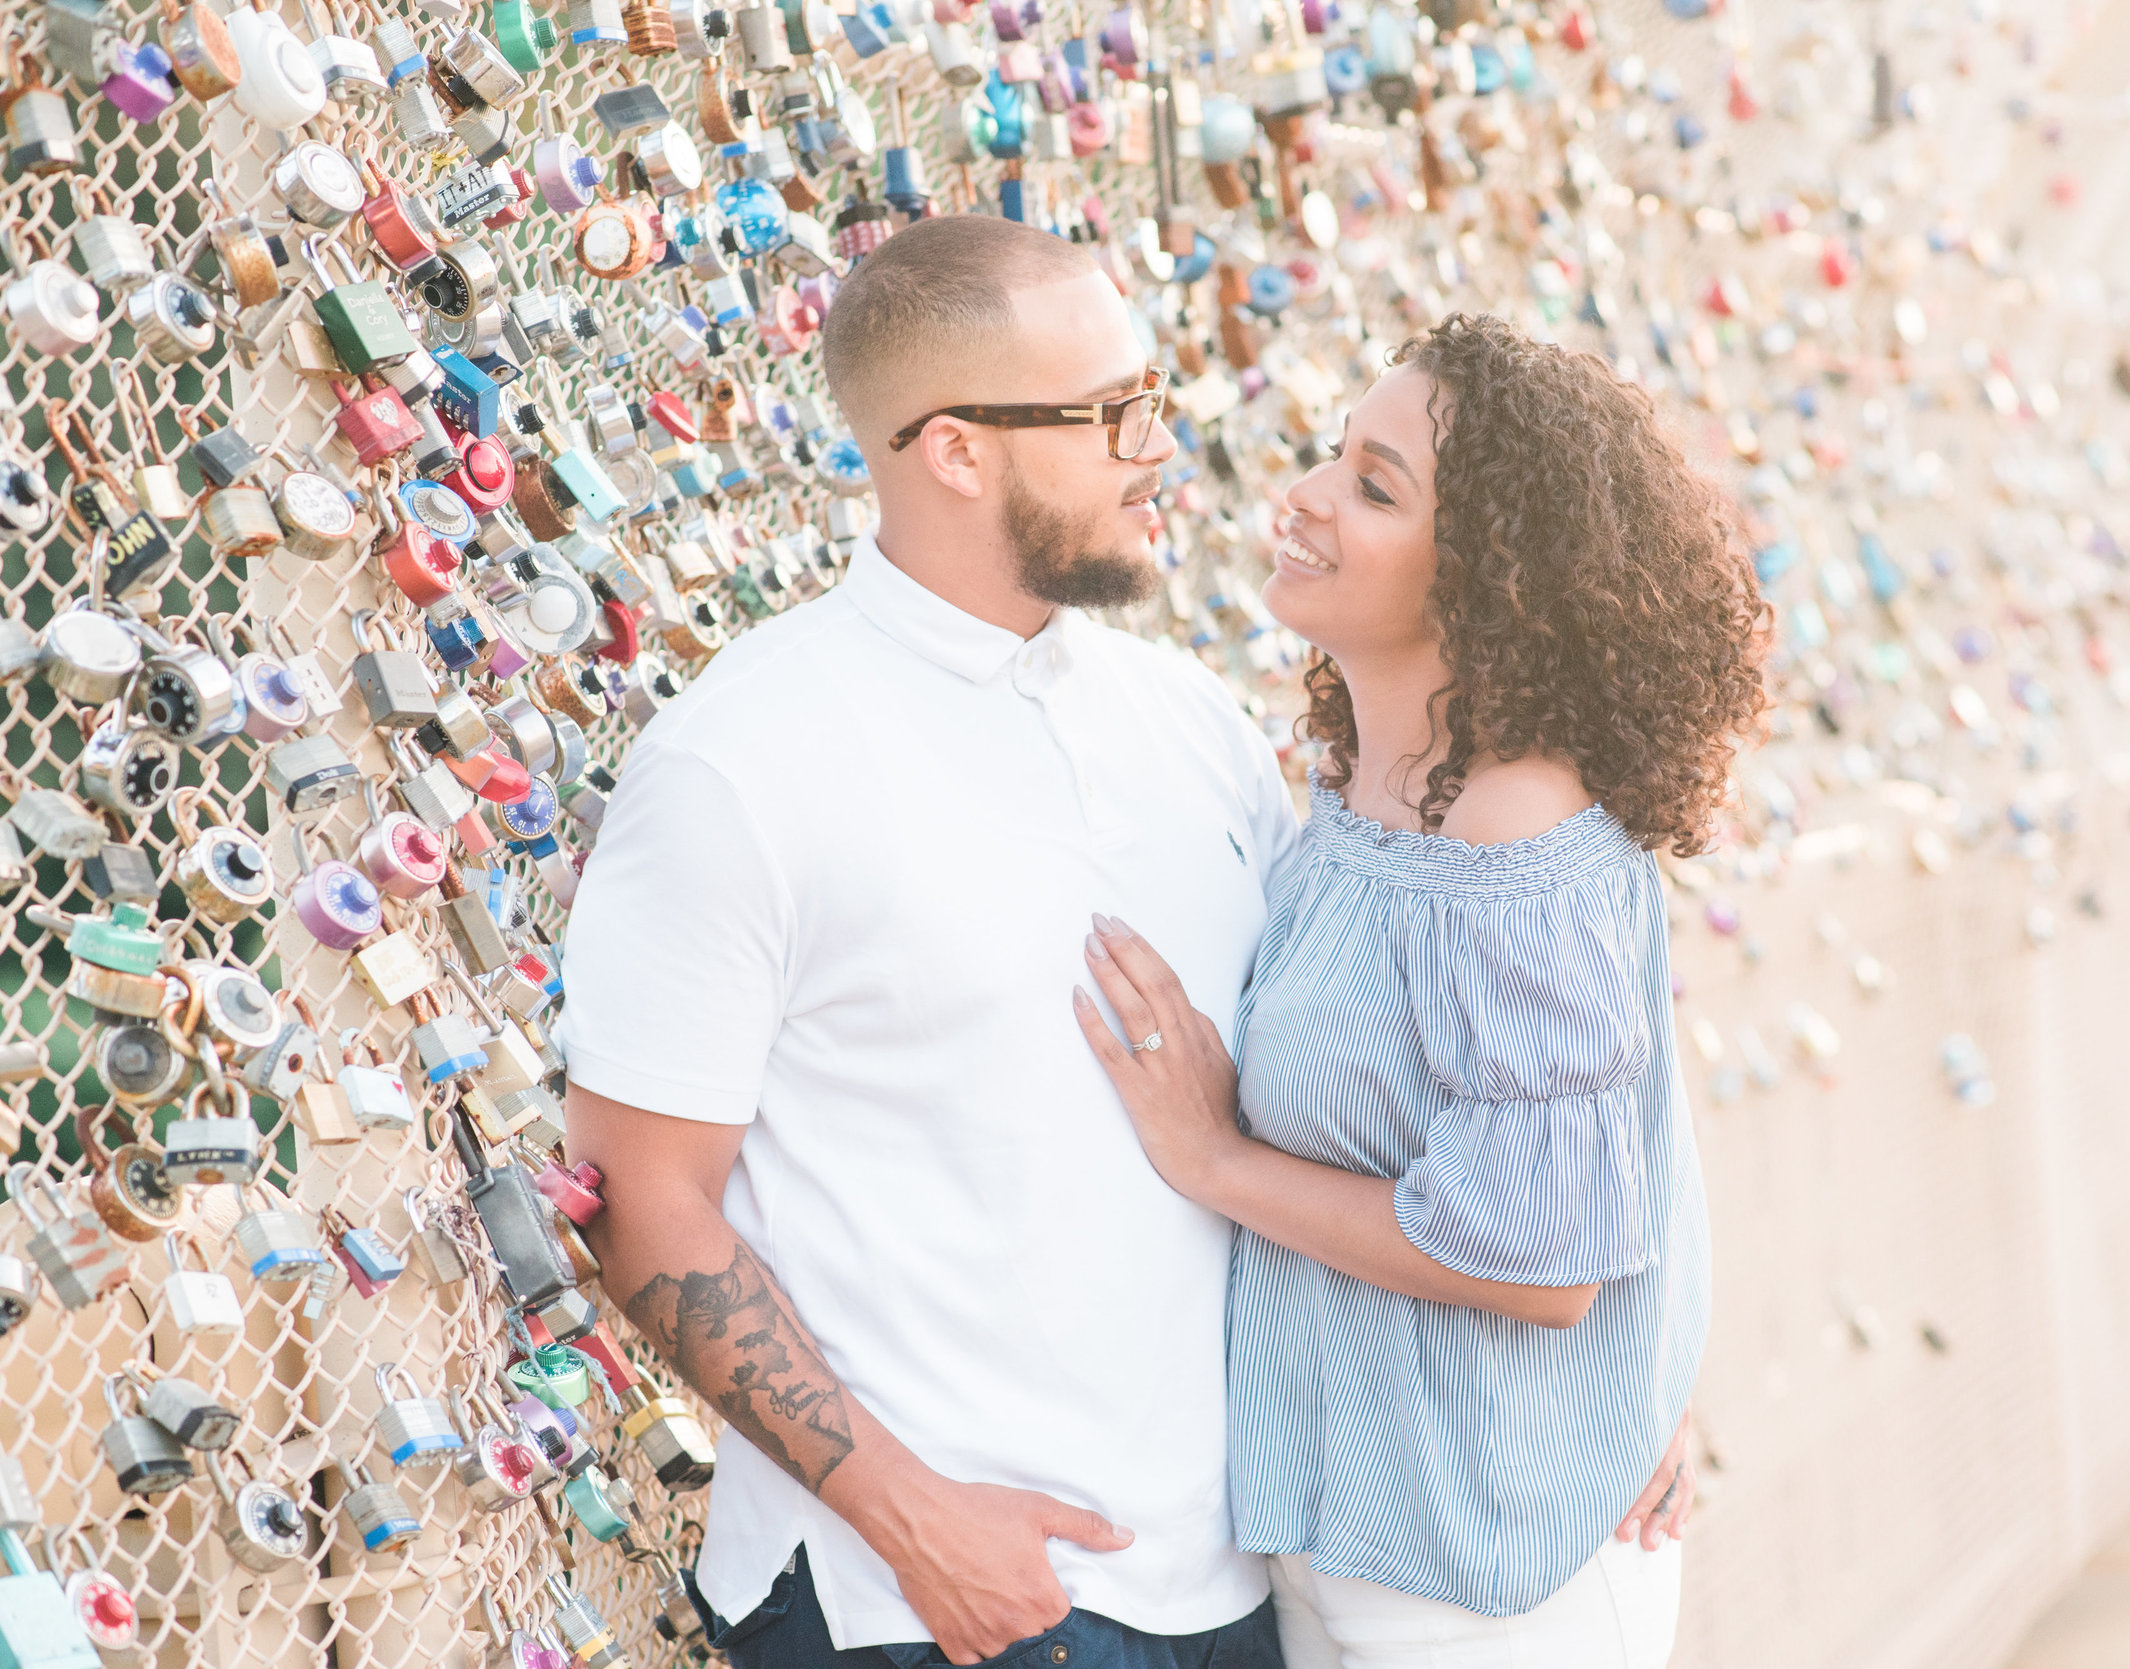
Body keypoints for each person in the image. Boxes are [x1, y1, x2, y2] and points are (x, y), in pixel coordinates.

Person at [556, 214, 1303, 1669]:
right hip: (927, 1609)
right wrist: (915, 1523)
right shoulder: (744, 762)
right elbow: (640, 1196)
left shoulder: (1189, 722)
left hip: (1234, 1584)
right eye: (1111, 415)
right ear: (955, 450)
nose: (1161, 447)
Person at [1070, 315, 1771, 1668]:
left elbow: (1548, 1253)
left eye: (1375, 486)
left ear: (1490, 580)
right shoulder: (1364, 799)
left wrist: (1213, 1155)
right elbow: (1629, 1122)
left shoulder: (1514, 832)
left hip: (1491, 1573)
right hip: (1346, 1537)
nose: (1308, 498)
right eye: (1336, 457)